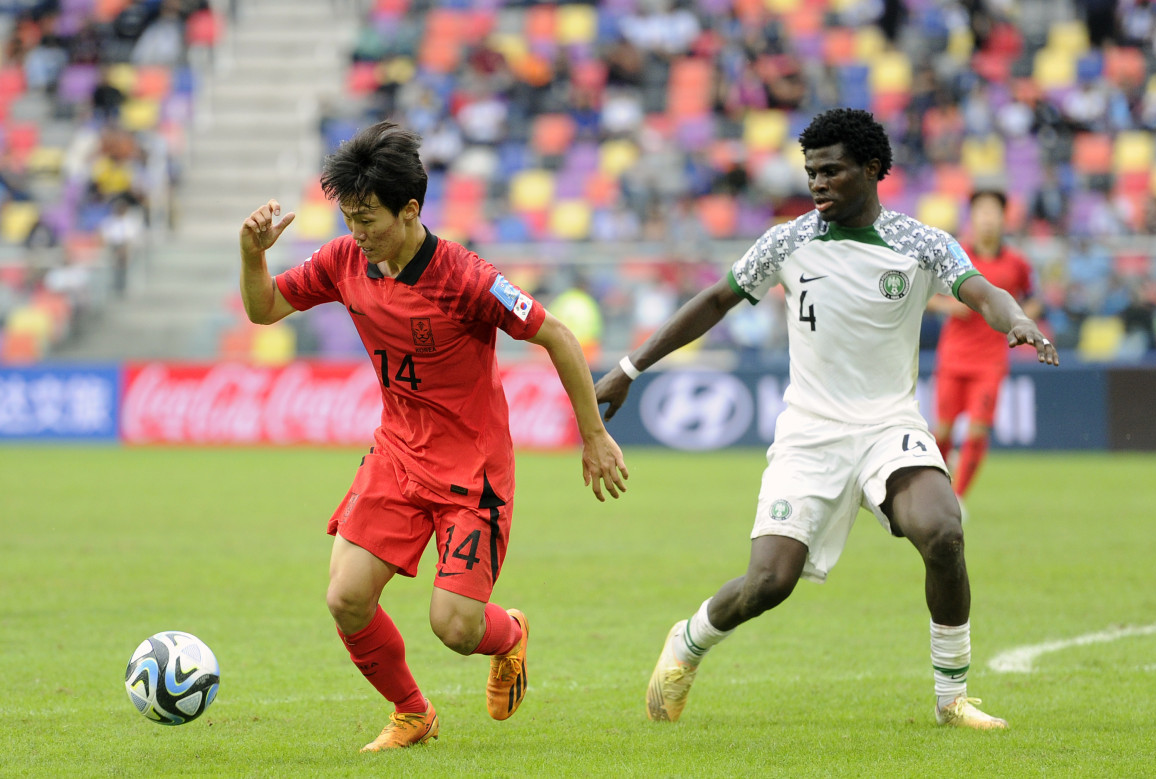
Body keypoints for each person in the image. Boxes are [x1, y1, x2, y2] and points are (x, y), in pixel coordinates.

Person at [595, 108, 1059, 731]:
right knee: (769, 583)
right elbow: (713, 301)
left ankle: (953, 699)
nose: (816, 183)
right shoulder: (789, 240)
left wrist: (1018, 320)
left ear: (871, 169)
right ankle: (688, 640)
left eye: (831, 170)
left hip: (888, 426)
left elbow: (981, 290)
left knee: (943, 533)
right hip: (810, 434)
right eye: (811, 171)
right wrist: (630, 366)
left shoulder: (919, 242)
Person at [239, 122, 628, 751]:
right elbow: (264, 310)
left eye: (368, 219)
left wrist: (593, 435)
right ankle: (412, 713)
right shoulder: (343, 261)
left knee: (453, 625)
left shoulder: (467, 279)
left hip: (471, 473)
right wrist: (252, 254)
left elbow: (555, 334)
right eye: (348, 218)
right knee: (346, 599)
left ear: (411, 209)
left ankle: (511, 635)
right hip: (396, 455)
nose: (356, 234)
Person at [929, 189, 1042, 503]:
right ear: (972, 218)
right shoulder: (955, 257)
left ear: (1004, 219)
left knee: (977, 430)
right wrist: (948, 307)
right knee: (943, 431)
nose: (988, 219)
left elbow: (1034, 300)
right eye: (982, 212)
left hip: (990, 360)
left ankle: (957, 499)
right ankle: (937, 492)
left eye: (993, 212)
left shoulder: (1017, 263)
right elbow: (924, 294)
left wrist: (1017, 318)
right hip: (953, 356)